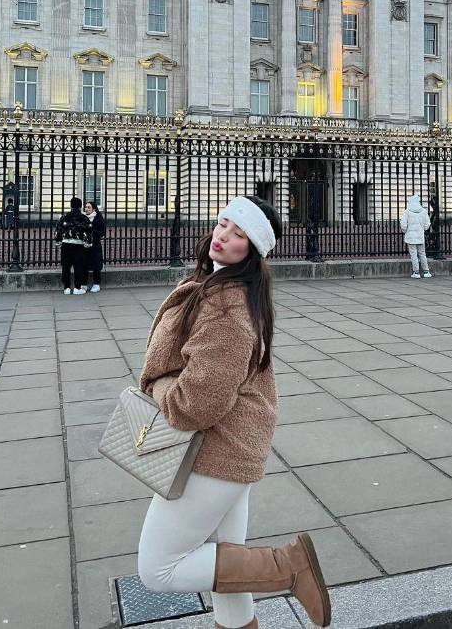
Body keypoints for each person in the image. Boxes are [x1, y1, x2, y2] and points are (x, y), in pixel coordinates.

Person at [136, 195, 331, 629]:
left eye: (238, 234)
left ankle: (287, 566)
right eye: (224, 223)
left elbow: (195, 405)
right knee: (227, 571)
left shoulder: (227, 307)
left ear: (253, 249)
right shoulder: (221, 286)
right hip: (233, 448)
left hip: (211, 452)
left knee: (159, 568)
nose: (223, 235)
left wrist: (157, 384)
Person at [54, 197, 92, 295]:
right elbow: (89, 231)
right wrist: (88, 243)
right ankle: (77, 287)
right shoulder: (84, 217)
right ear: (80, 206)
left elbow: (58, 230)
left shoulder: (64, 216)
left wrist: (58, 241)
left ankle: (66, 288)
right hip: (78, 245)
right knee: (78, 266)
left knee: (65, 266)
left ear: (71, 205)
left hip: (66, 244)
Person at [401, 194, 432, 279]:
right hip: (420, 236)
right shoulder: (423, 211)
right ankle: (426, 271)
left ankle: (416, 272)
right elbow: (427, 224)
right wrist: (423, 229)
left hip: (411, 237)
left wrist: (405, 231)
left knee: (413, 254)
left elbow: (403, 225)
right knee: (422, 253)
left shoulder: (407, 211)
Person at [84, 201, 105, 293]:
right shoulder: (83, 218)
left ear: (93, 208)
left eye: (89, 207)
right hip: (84, 245)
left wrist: (91, 230)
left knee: (96, 264)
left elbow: (102, 232)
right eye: (85, 207)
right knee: (84, 264)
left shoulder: (98, 218)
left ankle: (97, 284)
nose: (86, 209)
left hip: (95, 245)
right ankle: (83, 284)